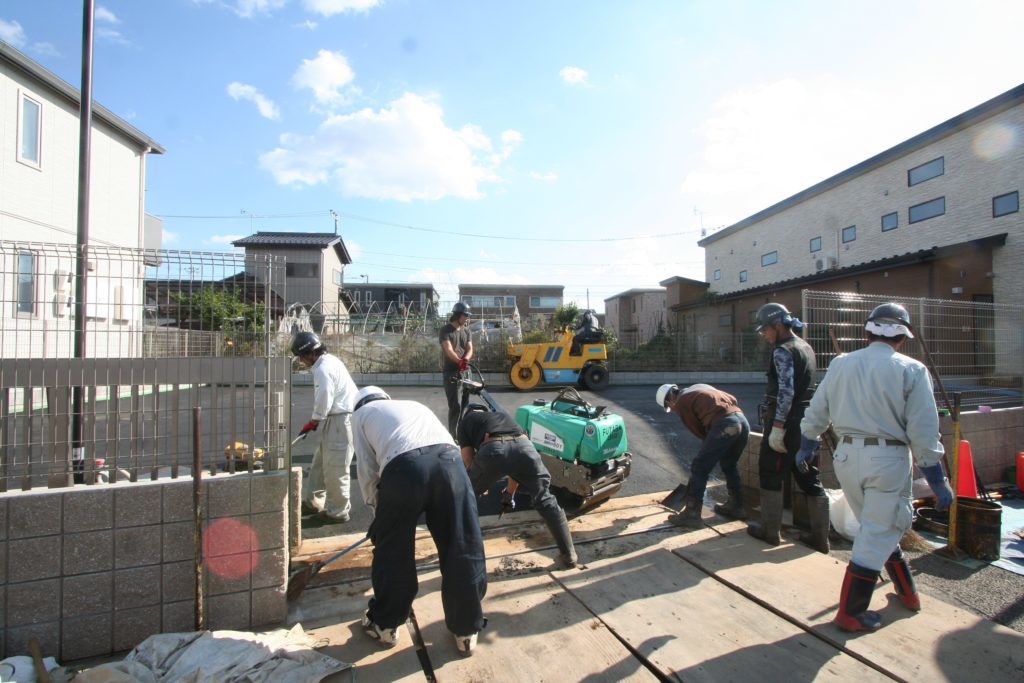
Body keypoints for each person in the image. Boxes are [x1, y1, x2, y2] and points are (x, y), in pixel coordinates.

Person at [800, 303, 953, 632]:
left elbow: (816, 410)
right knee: (879, 531)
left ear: (866, 332)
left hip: (846, 458)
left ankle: (907, 594)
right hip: (887, 460)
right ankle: (851, 613)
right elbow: (924, 431)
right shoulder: (911, 370)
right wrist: (937, 478)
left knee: (875, 528)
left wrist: (808, 441)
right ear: (903, 337)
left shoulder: (841, 364)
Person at [352, 386, 488, 655]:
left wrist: (379, 514)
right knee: (462, 544)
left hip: (404, 468)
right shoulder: (413, 404)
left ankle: (386, 625)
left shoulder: (360, 415)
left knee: (394, 552)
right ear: (385, 397)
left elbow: (367, 470)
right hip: (451, 464)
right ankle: (466, 629)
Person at [747, 303, 831, 554]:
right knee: (807, 474)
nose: (764, 334)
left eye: (766, 329)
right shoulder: (806, 347)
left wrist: (778, 427)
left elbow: (786, 390)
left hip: (787, 420)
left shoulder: (782, 350)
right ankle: (820, 538)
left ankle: (770, 532)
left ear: (779, 325)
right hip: (806, 420)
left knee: (771, 471)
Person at [457, 403, 578, 568]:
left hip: (494, 449)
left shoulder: (465, 422)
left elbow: (468, 461)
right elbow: (515, 464)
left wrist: (480, 482)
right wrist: (509, 495)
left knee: (464, 495)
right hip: (526, 449)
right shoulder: (502, 416)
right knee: (545, 499)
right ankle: (569, 554)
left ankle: (462, 551)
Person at [656, 383, 750, 528]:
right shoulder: (697, 388)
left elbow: (698, 430)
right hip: (742, 421)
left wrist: (707, 449)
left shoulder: (682, 403)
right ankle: (736, 506)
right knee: (729, 464)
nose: (673, 410)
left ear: (669, 401)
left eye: (670, 407)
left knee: (700, 467)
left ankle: (691, 514)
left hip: (725, 424)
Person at [292, 331, 358, 522]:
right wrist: (318, 419)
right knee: (320, 464)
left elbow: (325, 398)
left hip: (341, 420)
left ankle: (338, 511)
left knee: (336, 467)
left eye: (302, 357)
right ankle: (313, 501)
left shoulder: (323, 369)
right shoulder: (329, 361)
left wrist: (314, 420)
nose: (302, 361)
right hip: (336, 419)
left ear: (309, 354)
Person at [439, 302, 474, 437]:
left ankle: (463, 435)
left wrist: (465, 359)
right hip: (451, 373)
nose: (467, 318)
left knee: (465, 405)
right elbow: (448, 349)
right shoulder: (445, 330)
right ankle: (453, 437)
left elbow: (470, 348)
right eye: (465, 315)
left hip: (466, 371)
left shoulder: (466, 330)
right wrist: (458, 361)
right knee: (456, 406)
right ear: (458, 315)